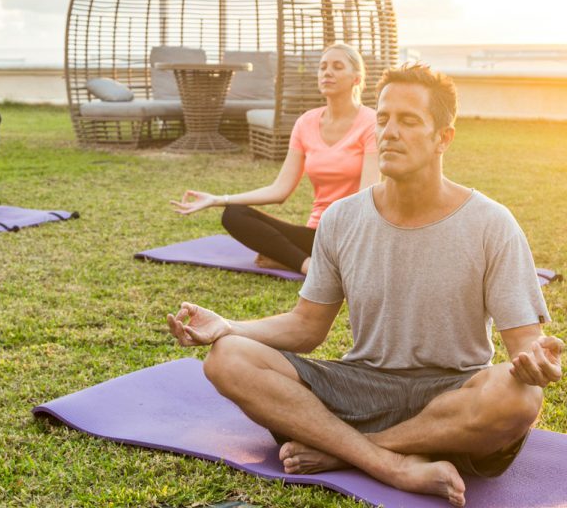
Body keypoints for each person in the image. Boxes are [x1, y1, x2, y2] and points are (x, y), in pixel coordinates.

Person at [168, 64, 562, 507]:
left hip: (451, 393)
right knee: (227, 358)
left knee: (520, 398)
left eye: (409, 121)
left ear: (443, 138)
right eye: (383, 119)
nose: (389, 132)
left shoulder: (492, 224)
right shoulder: (342, 218)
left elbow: (524, 347)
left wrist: (536, 363)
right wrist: (229, 326)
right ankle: (388, 463)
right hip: (358, 385)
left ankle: (344, 450)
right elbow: (306, 328)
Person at [171, 43, 379, 275]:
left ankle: (293, 259)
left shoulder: (371, 124)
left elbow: (365, 201)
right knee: (234, 214)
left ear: (357, 79)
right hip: (316, 235)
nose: (327, 72)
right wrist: (217, 199)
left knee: (350, 245)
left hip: (353, 235)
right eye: (323, 67)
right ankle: (309, 266)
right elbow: (280, 190)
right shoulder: (306, 123)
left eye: (337, 67)